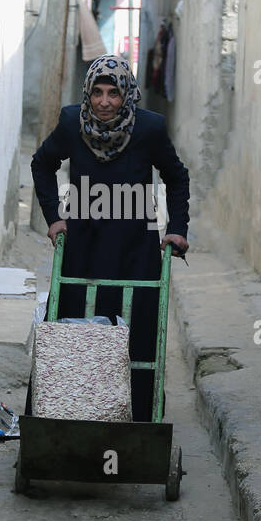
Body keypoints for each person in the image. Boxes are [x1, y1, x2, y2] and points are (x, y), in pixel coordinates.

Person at [29, 54, 190, 423]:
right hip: (83, 245)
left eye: (113, 94)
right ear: (88, 93)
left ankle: (135, 422)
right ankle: (66, 415)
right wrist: (54, 218)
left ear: (126, 95)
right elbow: (42, 164)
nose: (104, 102)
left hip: (135, 247)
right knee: (74, 332)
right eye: (98, 92)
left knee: (135, 334)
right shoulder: (73, 122)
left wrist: (177, 229)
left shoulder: (149, 128)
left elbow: (176, 177)